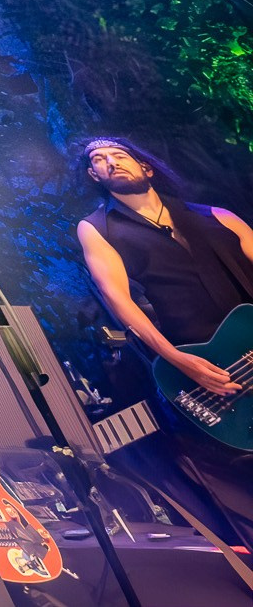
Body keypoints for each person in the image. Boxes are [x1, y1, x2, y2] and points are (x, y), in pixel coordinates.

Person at [74, 135, 253, 546]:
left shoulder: (217, 216)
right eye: (99, 160)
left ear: (147, 168)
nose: (110, 162)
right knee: (234, 483)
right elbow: (120, 302)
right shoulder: (97, 229)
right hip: (199, 369)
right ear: (93, 176)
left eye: (120, 155)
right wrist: (176, 359)